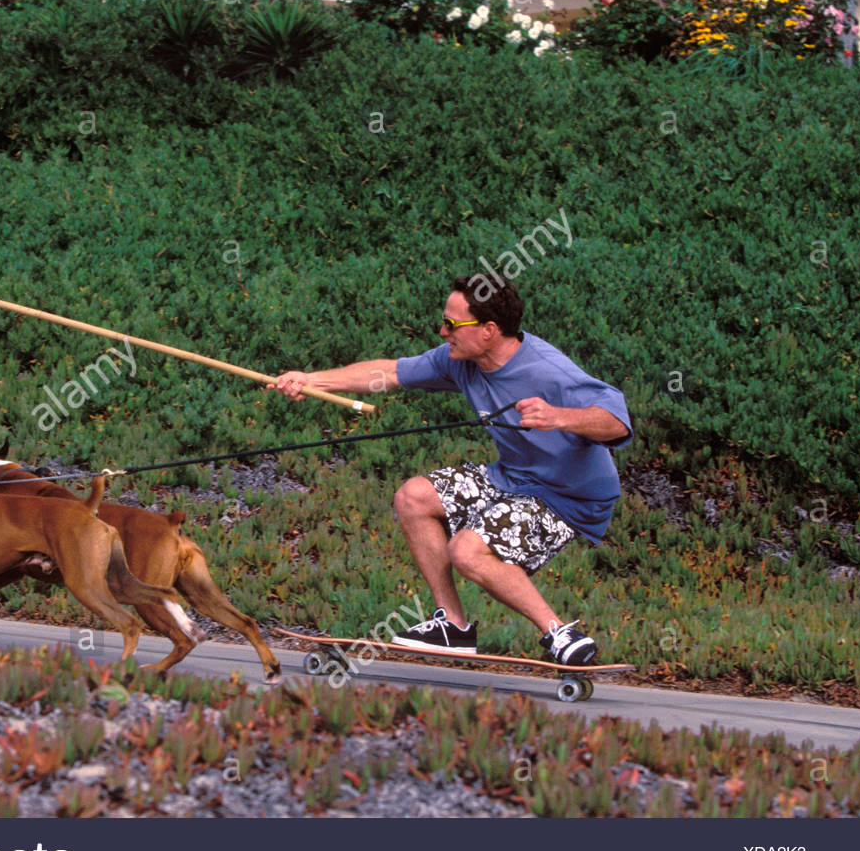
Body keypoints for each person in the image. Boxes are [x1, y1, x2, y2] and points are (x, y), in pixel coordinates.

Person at [268, 274, 631, 665]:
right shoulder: (460, 361)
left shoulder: (547, 371)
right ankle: (453, 627)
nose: (443, 332)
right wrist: (311, 380)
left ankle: (560, 635)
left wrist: (560, 416)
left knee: (466, 550)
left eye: (452, 325)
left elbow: (617, 421)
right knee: (414, 496)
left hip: (569, 496)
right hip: (511, 478)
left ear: (489, 330)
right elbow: (389, 373)